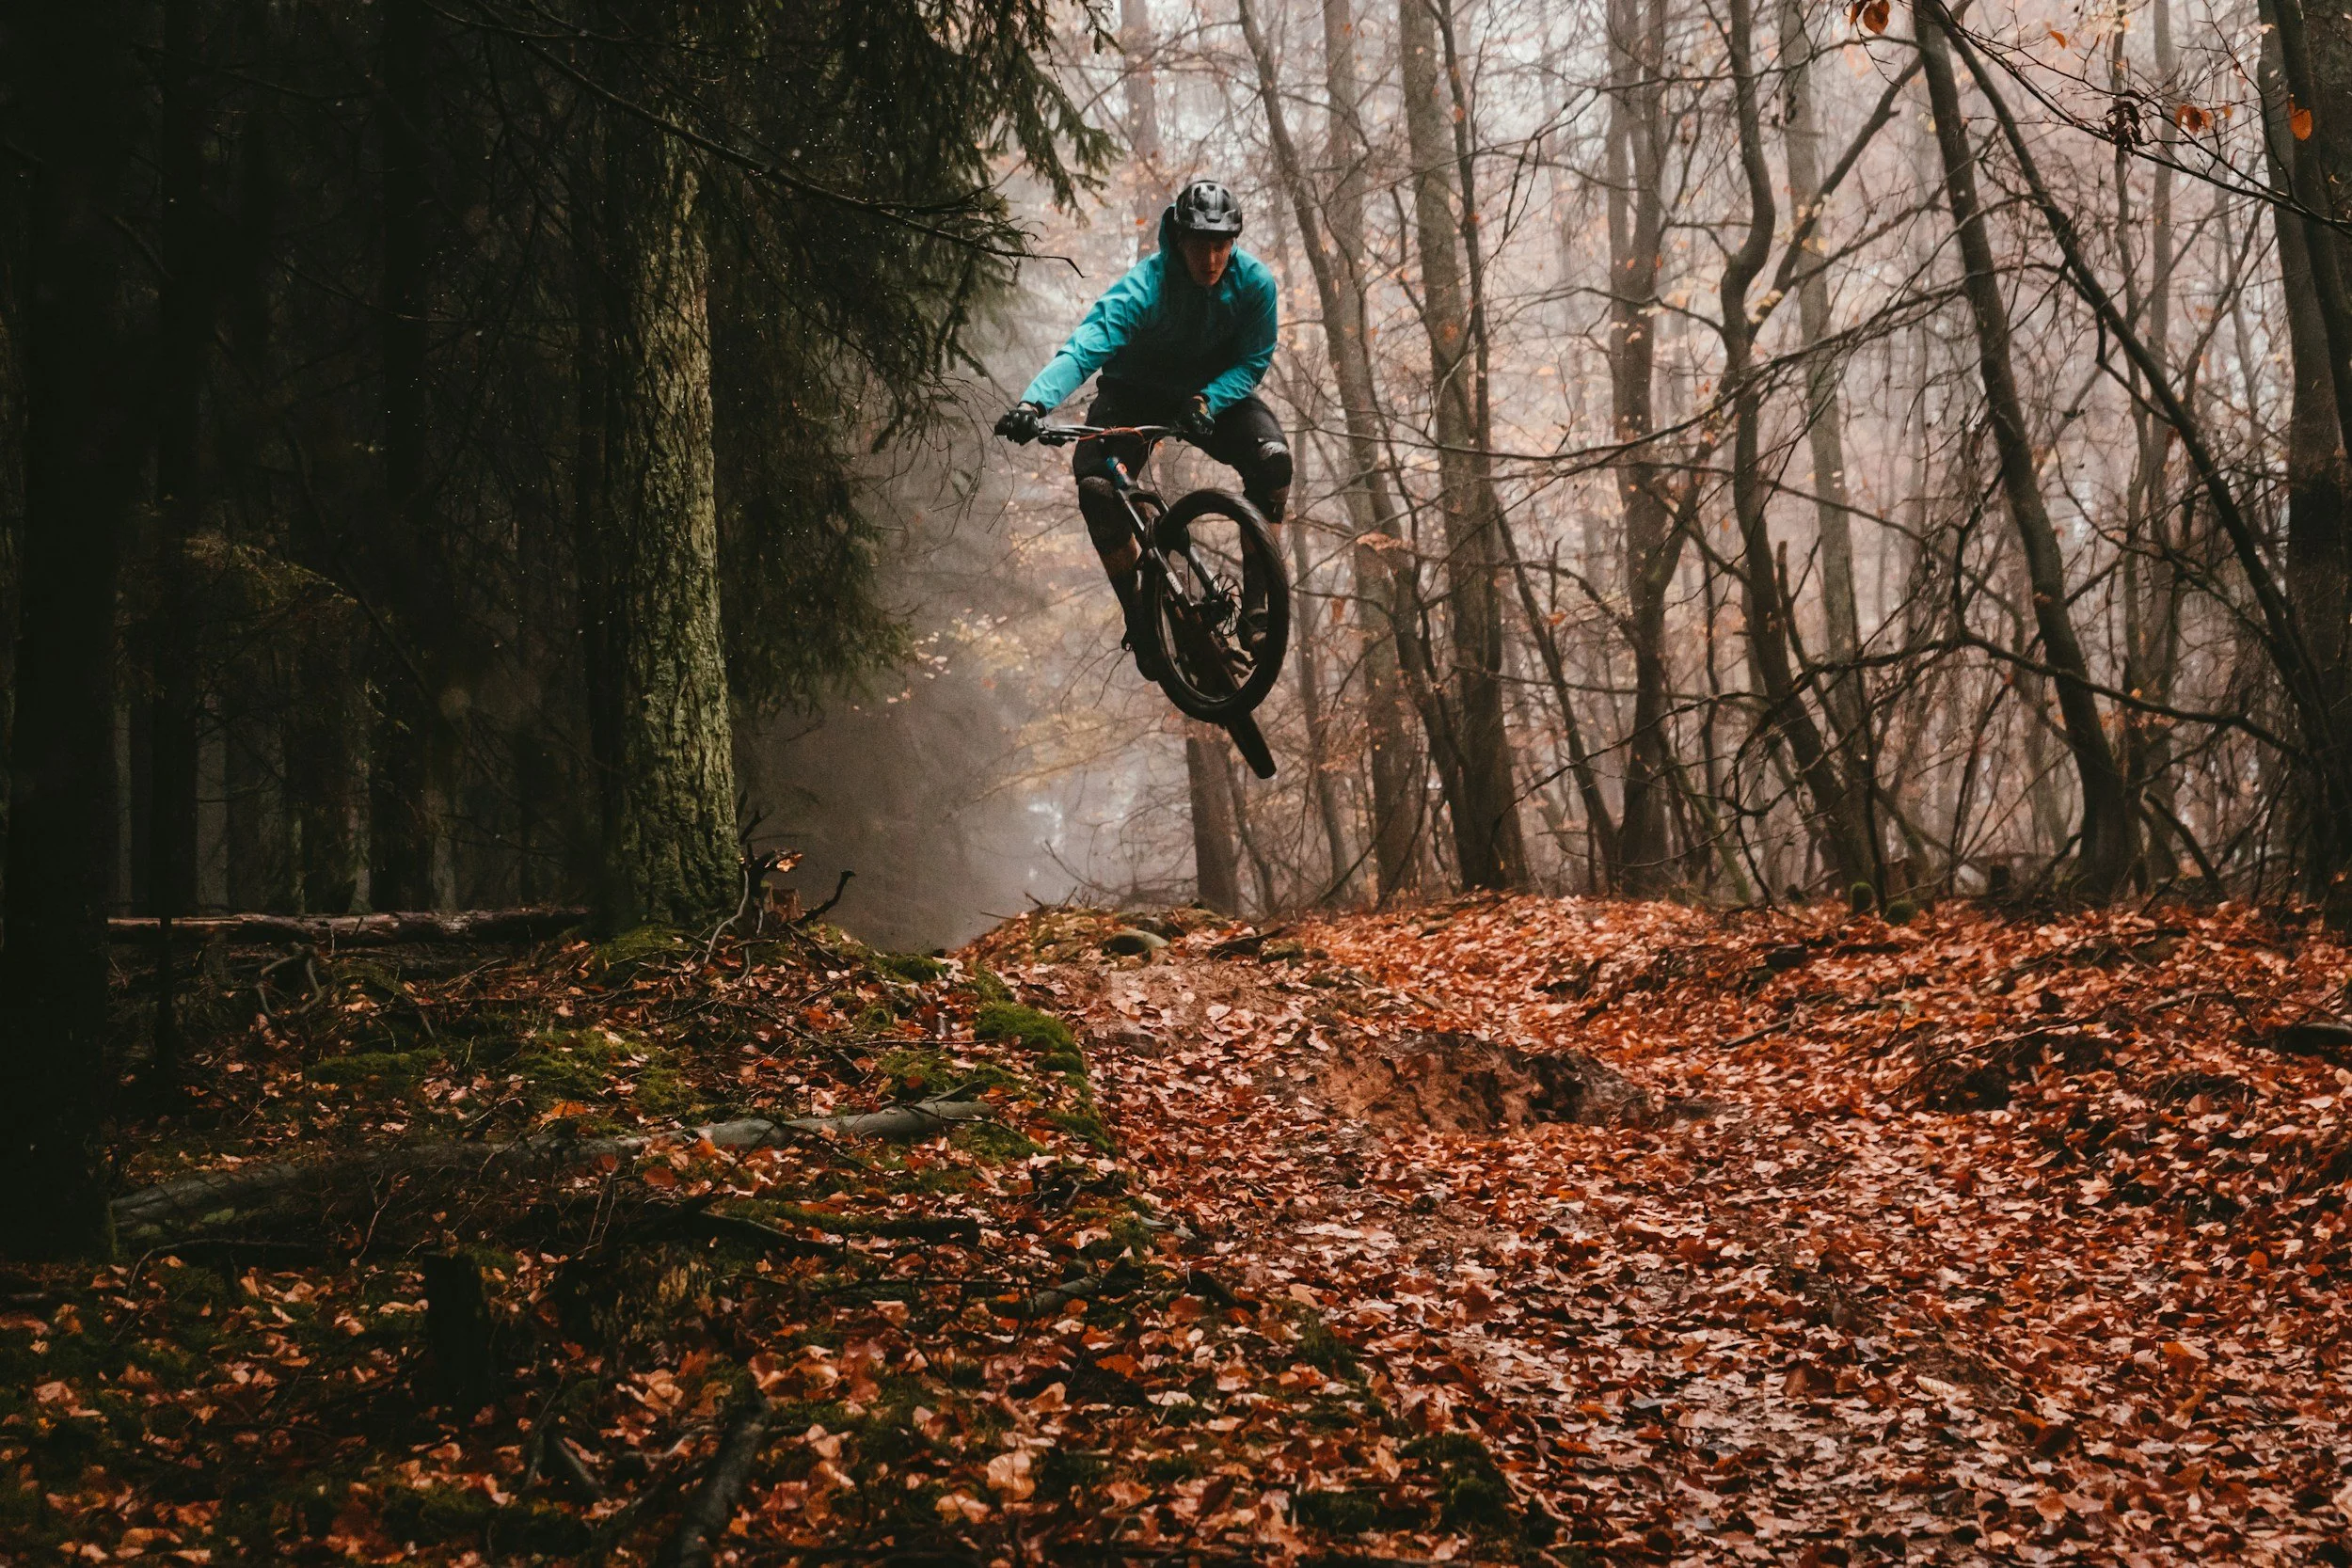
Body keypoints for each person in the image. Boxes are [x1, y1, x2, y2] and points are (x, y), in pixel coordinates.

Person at [995, 180, 1288, 678]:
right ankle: (1143, 621)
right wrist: (1033, 402)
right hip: (1135, 394)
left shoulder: (1256, 284)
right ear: (1178, 239)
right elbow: (1086, 345)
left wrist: (1208, 400)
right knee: (1097, 489)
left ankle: (1258, 611)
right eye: (1201, 245)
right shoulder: (1144, 289)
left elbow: (1254, 358)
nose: (1212, 258)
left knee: (1273, 462)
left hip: (1211, 395)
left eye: (1222, 245)